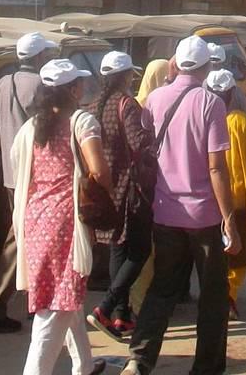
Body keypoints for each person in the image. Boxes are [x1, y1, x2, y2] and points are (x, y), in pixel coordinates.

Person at [124, 35, 240, 375]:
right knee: (213, 296)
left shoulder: (156, 98)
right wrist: (229, 219)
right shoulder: (211, 103)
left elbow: (148, 142)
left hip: (166, 212)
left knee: (162, 289)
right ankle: (206, 368)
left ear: (176, 63)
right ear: (207, 67)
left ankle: (139, 359)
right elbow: (217, 167)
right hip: (204, 217)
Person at [15, 59, 111, 375]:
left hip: (36, 219)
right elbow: (99, 172)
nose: (84, 87)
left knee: (64, 295)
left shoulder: (31, 127)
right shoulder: (81, 121)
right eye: (80, 83)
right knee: (55, 307)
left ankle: (83, 364)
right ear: (72, 90)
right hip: (67, 224)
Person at [0, 30, 60, 334]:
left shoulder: (2, 83)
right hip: (37, 177)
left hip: (11, 175)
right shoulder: (41, 85)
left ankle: (29, 303)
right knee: (24, 240)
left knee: (25, 238)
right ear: (38, 57)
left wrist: (11, 148)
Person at [88, 50, 153, 341]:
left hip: (106, 189)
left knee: (118, 249)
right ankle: (106, 306)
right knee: (140, 251)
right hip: (130, 190)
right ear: (127, 76)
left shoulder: (93, 107)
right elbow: (139, 143)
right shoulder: (128, 105)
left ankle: (121, 317)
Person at [207, 69, 246, 316]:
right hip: (240, 198)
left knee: (217, 251)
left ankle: (219, 294)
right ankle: (228, 295)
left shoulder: (208, 119)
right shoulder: (241, 122)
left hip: (212, 196)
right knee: (240, 253)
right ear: (233, 92)